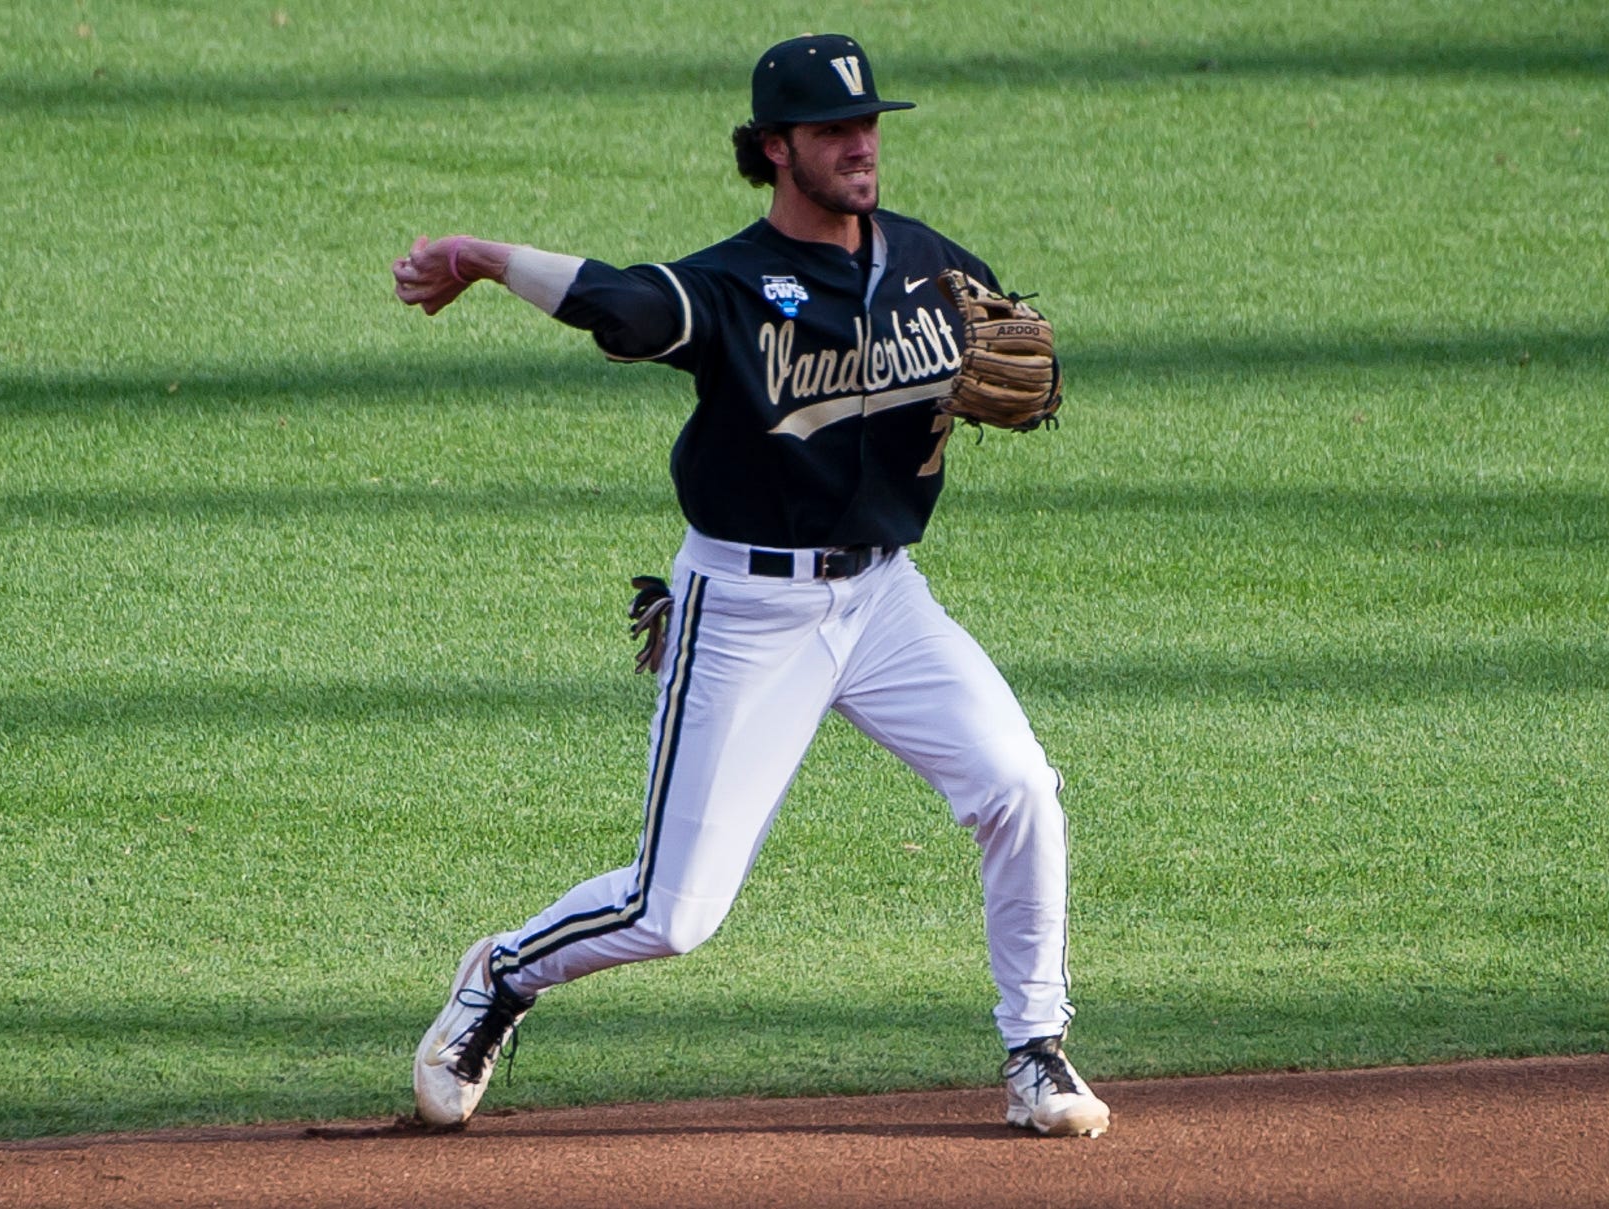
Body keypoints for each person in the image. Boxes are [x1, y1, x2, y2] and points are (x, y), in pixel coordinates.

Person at [390, 32, 1109, 1139]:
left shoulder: (920, 259)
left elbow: (1017, 350)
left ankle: (1035, 1052)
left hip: (883, 602)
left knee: (1019, 789)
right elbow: (624, 308)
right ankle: (501, 974)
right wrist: (488, 257)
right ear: (773, 148)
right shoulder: (730, 284)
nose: (860, 146)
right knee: (670, 913)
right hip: (743, 614)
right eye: (831, 131)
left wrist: (1034, 379)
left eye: (867, 124)